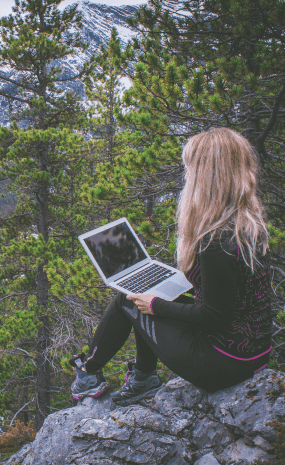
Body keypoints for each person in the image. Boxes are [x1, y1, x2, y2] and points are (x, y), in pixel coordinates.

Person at [70, 127, 273, 406]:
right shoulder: (246, 224)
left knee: (127, 299)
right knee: (147, 292)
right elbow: (228, 297)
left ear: (205, 176)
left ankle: (88, 374)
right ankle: (142, 377)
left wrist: (156, 306)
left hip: (223, 364)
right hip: (252, 352)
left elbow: (215, 316)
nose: (186, 175)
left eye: (189, 168)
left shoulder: (215, 241)